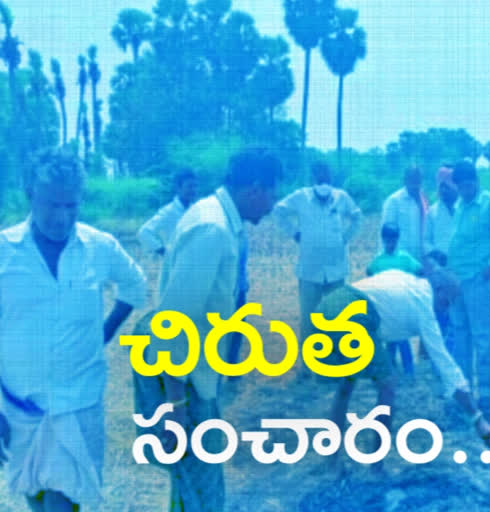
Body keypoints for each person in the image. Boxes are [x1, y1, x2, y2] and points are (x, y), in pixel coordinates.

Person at [134, 148, 281, 512]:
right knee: (204, 492)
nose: (274, 204)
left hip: (194, 375)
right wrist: (176, 405)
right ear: (255, 188)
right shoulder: (212, 229)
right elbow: (173, 322)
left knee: (191, 484)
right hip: (182, 380)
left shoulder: (215, 219)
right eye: (273, 193)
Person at [0, 147, 146, 512]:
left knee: (67, 503)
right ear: (30, 195)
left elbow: (135, 285)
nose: (62, 217)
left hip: (79, 405)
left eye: (72, 206)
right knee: (36, 497)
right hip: (21, 409)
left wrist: (104, 332)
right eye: (52, 205)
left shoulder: (99, 247)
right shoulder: (4, 252)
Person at [315, 269, 490, 471]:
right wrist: (478, 419)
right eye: (446, 302)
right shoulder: (424, 305)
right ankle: (376, 467)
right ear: (438, 289)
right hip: (353, 316)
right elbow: (447, 368)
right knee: (388, 386)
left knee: (347, 385)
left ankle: (330, 460)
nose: (446, 310)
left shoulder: (406, 279)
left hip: (328, 306)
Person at [273, 162, 362, 363]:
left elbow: (357, 217)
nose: (324, 178)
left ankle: (335, 360)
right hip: (309, 270)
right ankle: (307, 363)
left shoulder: (341, 197)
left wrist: (345, 238)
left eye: (327, 175)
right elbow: (278, 211)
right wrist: (295, 233)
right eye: (320, 175)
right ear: (314, 177)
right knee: (309, 318)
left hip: (336, 269)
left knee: (336, 317)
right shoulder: (301, 197)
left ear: (331, 177)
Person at [448, 161, 490, 415]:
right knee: (460, 334)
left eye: (467, 184)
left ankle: (488, 393)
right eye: (460, 186)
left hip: (479, 278)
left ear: (476, 181)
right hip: (457, 279)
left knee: (483, 335)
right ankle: (466, 391)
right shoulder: (459, 206)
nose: (464, 190)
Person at [366, 223, 422, 375]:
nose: (390, 243)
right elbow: (370, 273)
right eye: (387, 239)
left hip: (402, 305)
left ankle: (409, 370)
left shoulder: (404, 258)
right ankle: (391, 369)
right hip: (386, 307)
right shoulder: (378, 260)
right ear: (383, 239)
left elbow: (419, 270)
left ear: (397, 239)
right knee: (390, 339)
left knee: (403, 339)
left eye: (393, 239)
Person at [137, 169, 198, 256]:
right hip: (177, 264)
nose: (193, 190)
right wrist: (164, 252)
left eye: (195, 186)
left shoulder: (197, 210)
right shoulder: (169, 212)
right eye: (189, 186)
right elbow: (144, 232)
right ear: (178, 188)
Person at [381, 166, 428, 262]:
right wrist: (385, 260)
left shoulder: (423, 200)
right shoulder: (394, 201)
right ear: (405, 180)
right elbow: (385, 232)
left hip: (419, 260)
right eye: (412, 179)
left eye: (418, 180)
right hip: (398, 259)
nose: (415, 184)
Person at [424, 165, 458, 267]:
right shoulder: (432, 211)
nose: (443, 190)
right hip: (440, 268)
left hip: (465, 266)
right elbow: (425, 241)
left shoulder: (465, 209)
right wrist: (436, 254)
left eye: (446, 187)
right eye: (440, 186)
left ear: (455, 185)